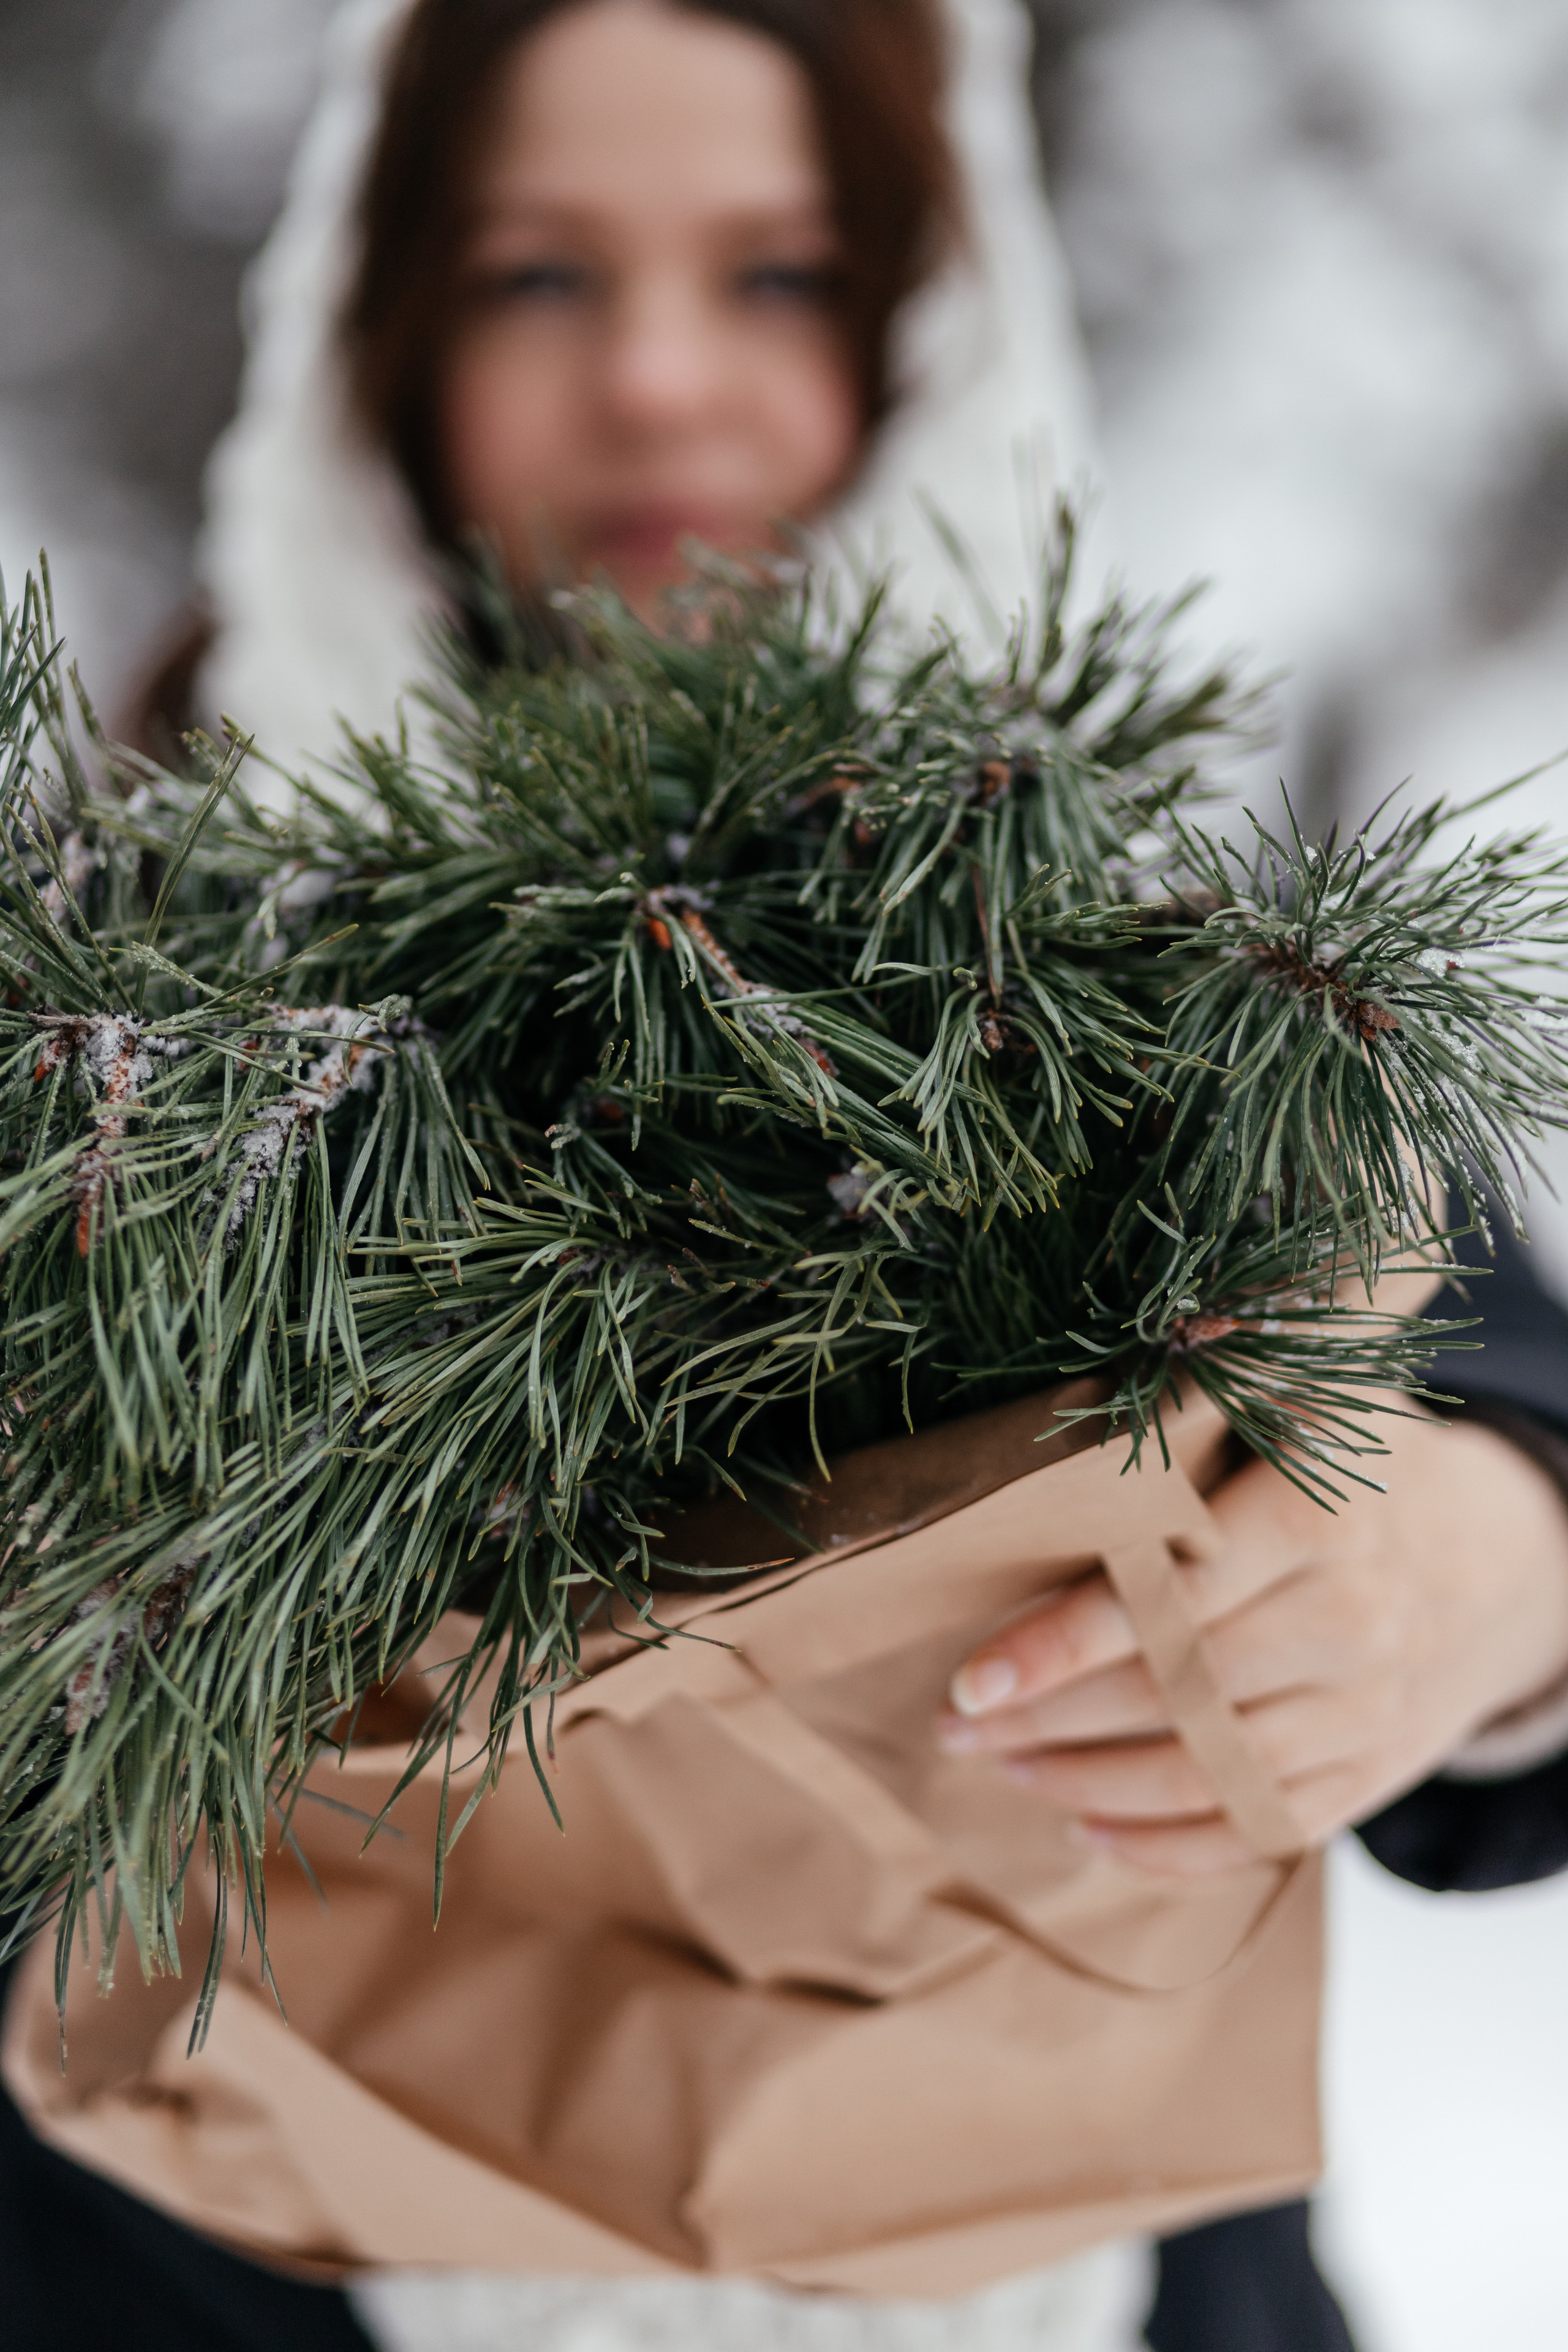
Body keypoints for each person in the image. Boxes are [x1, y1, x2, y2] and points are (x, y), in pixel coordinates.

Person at [6, 6, 1568, 2350]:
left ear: (928, 325)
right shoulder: (141, 1013)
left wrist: (1478, 1569)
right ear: (384, 324)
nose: (654, 380)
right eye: (543, 275)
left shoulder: (1148, 960)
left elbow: (1504, 1379)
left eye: (777, 277)